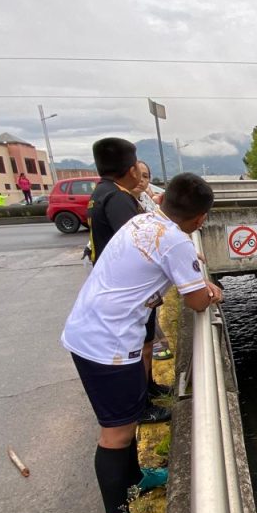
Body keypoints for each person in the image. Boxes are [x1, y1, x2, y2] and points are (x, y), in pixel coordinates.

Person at [62, 172, 223, 513]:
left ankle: (136, 476)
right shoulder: (175, 242)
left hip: (97, 331)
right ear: (200, 220)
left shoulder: (145, 220)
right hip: (108, 345)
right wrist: (211, 290)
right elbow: (197, 300)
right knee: (115, 434)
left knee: (128, 421)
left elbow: (170, 260)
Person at [87, 140, 169, 424]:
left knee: (145, 344)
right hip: (128, 290)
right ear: (131, 168)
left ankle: (149, 387)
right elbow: (139, 243)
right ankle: (142, 404)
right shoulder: (118, 198)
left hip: (116, 286)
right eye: (137, 166)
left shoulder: (102, 193)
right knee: (137, 348)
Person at [131, 162, 173, 361]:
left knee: (147, 325)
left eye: (146, 176)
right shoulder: (121, 203)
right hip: (136, 281)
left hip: (147, 282)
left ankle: (149, 383)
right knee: (139, 333)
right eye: (138, 175)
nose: (141, 180)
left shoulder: (144, 201)